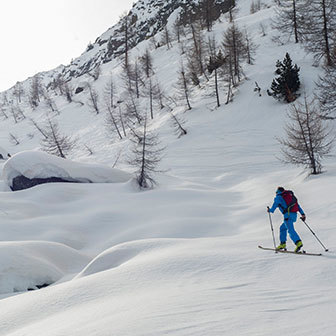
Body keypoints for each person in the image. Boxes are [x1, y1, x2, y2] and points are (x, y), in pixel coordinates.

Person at [267, 187, 306, 252]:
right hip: (294, 216)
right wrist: (303, 214)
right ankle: (283, 244)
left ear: (277, 192)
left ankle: (298, 242)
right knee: (282, 228)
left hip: (287, 216)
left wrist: (269, 210)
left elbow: (273, 209)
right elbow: (297, 206)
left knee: (290, 230)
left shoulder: (278, 197)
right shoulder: (290, 196)